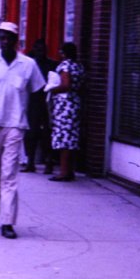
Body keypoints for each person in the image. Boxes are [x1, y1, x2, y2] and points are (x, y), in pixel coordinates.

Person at [0, 22, 46, 239]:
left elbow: (37, 95)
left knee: (9, 174)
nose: (5, 41)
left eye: (9, 38)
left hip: (15, 124)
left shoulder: (28, 64)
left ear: (16, 40)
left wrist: (36, 124)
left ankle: (7, 221)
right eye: (1, 37)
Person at [48, 41, 85, 182]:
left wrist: (52, 88)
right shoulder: (78, 66)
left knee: (64, 139)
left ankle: (63, 172)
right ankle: (70, 171)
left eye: (61, 52)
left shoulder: (65, 65)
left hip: (65, 106)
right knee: (72, 139)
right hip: (75, 103)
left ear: (64, 53)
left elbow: (65, 85)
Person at [22, 39, 57, 173]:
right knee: (31, 133)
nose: (40, 52)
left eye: (42, 50)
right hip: (32, 102)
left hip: (47, 103)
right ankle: (30, 161)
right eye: (37, 49)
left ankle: (49, 161)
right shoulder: (29, 65)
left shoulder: (51, 64)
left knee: (46, 134)